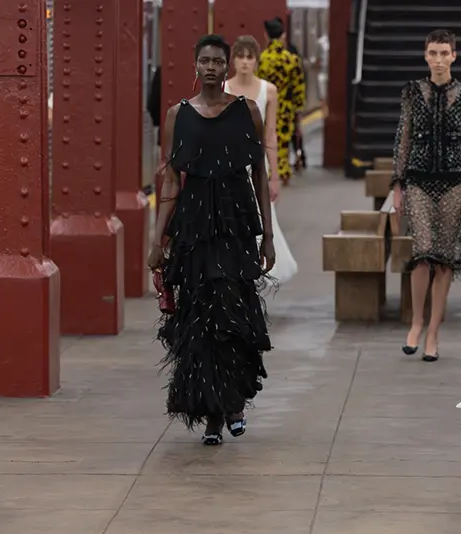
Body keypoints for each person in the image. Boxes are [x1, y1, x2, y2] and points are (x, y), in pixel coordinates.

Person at [147, 34, 276, 446]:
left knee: (232, 310)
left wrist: (268, 236)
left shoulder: (247, 111)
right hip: (195, 227)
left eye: (218, 61)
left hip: (236, 224)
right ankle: (213, 415)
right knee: (200, 317)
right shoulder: (178, 115)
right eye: (204, 61)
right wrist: (157, 239)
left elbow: (259, 174)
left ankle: (233, 402)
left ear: (226, 67)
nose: (211, 67)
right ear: (195, 65)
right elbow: (171, 179)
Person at [392, 29, 461, 362]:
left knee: (445, 260)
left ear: (453, 56)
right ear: (425, 55)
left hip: (456, 184)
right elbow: (403, 137)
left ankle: (433, 331)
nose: (438, 59)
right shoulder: (412, 92)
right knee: (422, 254)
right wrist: (397, 184)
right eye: (433, 53)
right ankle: (416, 322)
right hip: (418, 182)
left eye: (444, 53)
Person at [225, 34, 298, 285]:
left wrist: (275, 176)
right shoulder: (224, 89)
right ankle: (235, 267)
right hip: (229, 164)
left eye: (250, 57)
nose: (245, 62)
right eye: (240, 56)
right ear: (233, 61)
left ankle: (259, 269)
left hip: (257, 164)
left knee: (262, 215)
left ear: (257, 61)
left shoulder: (269, 91)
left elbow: (270, 135)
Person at [258, 17, 306, 185]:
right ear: (283, 35)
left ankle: (269, 171)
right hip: (285, 107)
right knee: (283, 141)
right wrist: (298, 108)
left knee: (267, 139)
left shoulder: (261, 60)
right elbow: (299, 88)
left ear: (266, 35)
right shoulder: (292, 60)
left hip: (265, 107)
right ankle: (282, 172)